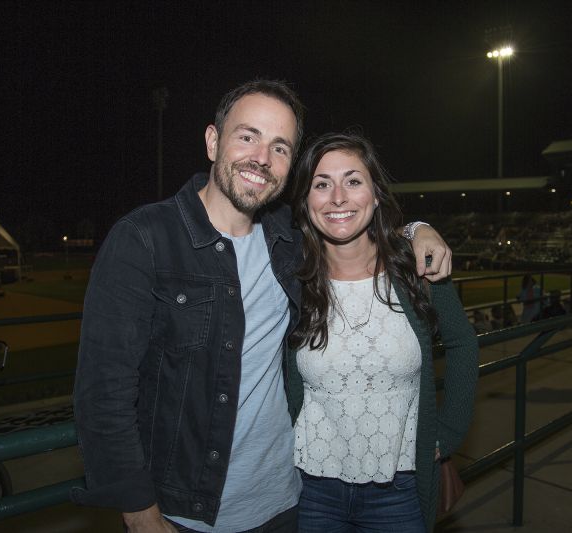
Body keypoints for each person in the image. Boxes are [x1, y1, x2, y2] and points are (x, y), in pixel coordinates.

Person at [71, 80, 452, 533]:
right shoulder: (144, 239)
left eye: (280, 147)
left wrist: (416, 230)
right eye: (247, 136)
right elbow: (103, 391)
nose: (261, 159)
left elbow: (349, 218)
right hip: (185, 515)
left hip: (286, 503)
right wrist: (139, 513)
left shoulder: (288, 242)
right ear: (213, 142)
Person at [285, 132, 478, 532]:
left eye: (353, 181)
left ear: (375, 194)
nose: (338, 197)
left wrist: (449, 431)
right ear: (306, 200)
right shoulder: (292, 278)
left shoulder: (416, 268)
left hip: (400, 489)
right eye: (322, 184)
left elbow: (462, 344)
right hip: (309, 488)